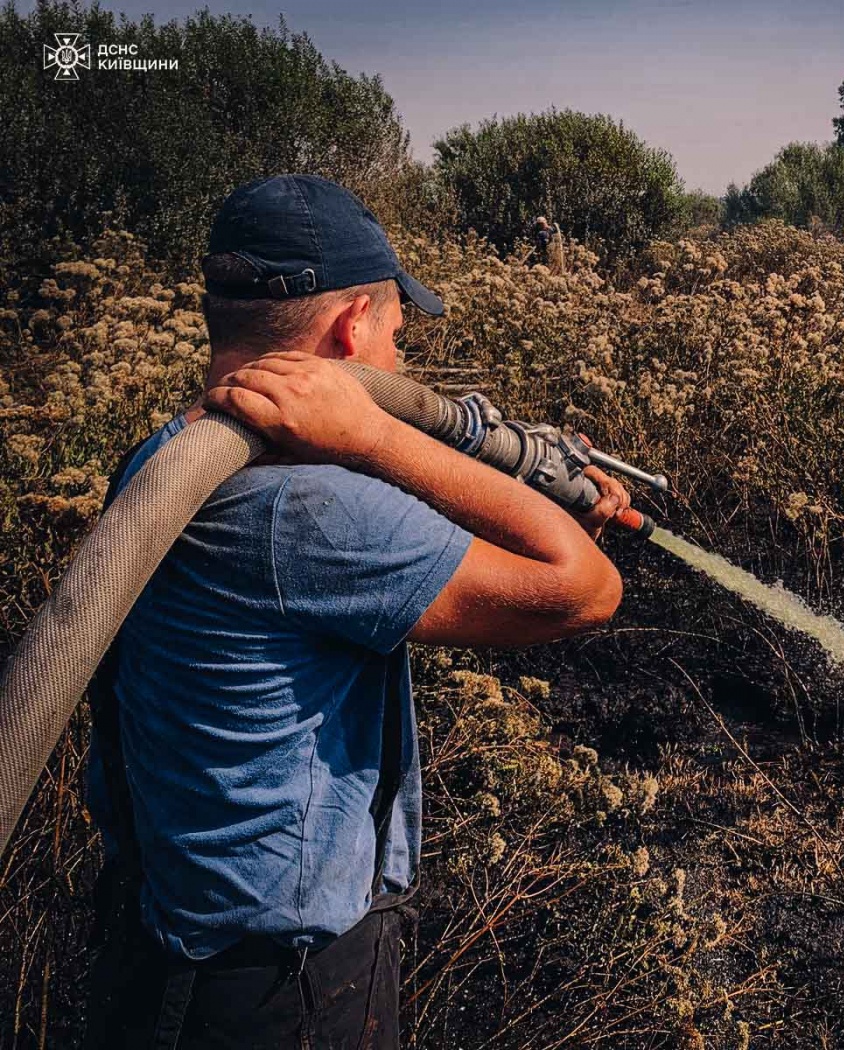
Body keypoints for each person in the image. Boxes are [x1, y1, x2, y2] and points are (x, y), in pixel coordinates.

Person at [83, 174, 629, 1048]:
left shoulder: (165, 457)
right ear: (351, 326)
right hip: (273, 990)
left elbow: (367, 535)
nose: (403, 366)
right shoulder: (300, 511)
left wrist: (535, 473)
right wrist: (379, 434)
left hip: (158, 950)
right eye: (397, 334)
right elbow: (586, 588)